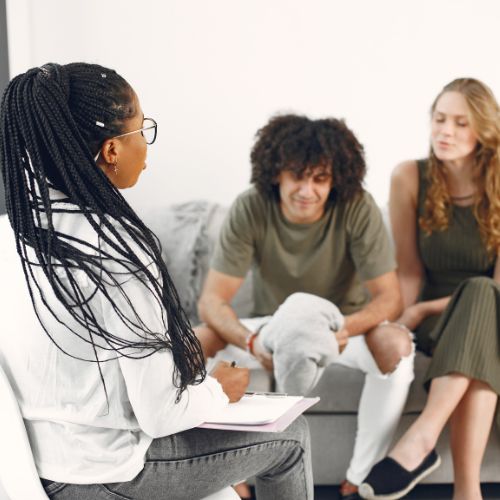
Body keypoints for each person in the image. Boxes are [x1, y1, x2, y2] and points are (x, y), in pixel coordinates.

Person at [0, 62, 313, 500]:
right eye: (140, 130)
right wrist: (218, 389)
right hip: (110, 476)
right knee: (292, 438)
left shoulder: (8, 235)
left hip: (34, 474)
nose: (146, 146)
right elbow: (161, 414)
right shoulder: (117, 248)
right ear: (111, 150)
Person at [196, 114, 415, 499]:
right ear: (276, 173)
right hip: (270, 330)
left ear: (336, 180)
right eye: (297, 176)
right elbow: (212, 301)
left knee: (397, 346)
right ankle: (226, 475)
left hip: (342, 328)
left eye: (320, 179)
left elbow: (390, 298)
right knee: (196, 340)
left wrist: (343, 331)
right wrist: (253, 343)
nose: (307, 190)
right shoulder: (250, 206)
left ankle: (362, 474)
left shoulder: (357, 207)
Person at [359, 78, 500, 500]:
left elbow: (496, 287)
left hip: (492, 307)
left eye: (460, 123)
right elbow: (409, 271)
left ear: (484, 132)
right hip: (438, 322)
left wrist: (423, 310)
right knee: (478, 354)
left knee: (480, 296)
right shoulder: (410, 176)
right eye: (440, 119)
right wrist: (403, 319)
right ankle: (467, 493)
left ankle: (422, 438)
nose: (446, 131)